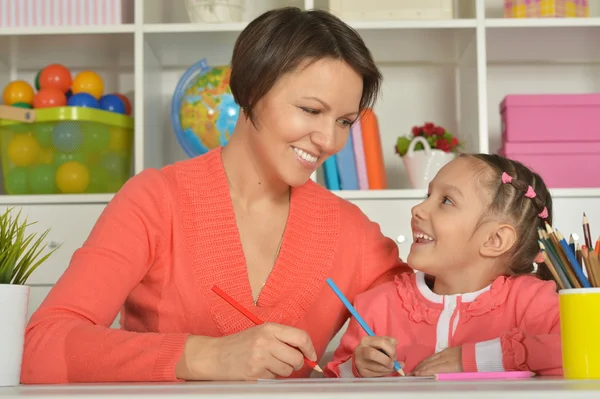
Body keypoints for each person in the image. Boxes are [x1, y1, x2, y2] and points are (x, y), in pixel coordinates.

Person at [20, 7, 412, 384]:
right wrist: (206, 355)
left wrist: (365, 359)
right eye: (311, 110)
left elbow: (435, 323)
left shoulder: (354, 234)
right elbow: (40, 349)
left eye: (344, 121)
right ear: (250, 89)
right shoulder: (155, 200)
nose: (329, 141)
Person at [324, 154, 563, 378]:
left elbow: (586, 349)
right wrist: (356, 368)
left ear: (494, 240)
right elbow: (334, 378)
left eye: (446, 200)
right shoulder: (378, 305)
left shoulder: (534, 303)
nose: (417, 209)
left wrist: (480, 358)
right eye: (428, 196)